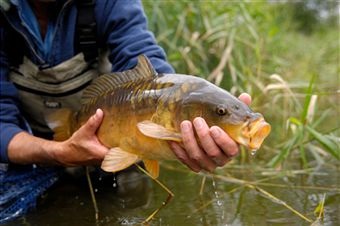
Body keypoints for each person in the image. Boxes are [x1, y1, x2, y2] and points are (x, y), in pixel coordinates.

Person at [0, 0, 251, 175]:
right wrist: (57, 152)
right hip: (27, 142)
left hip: (107, 140)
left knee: (130, 194)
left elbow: (140, 54)